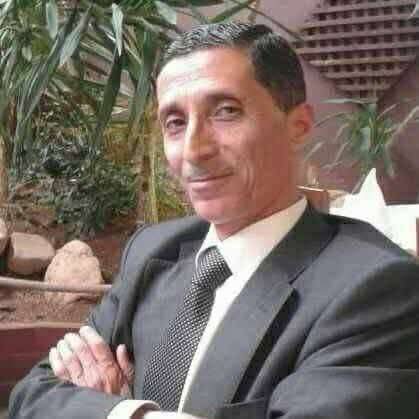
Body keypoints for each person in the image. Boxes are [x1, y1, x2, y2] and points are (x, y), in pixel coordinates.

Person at [9, 22, 419, 419]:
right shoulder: (153, 250)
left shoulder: (376, 289)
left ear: (298, 126)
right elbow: (34, 394)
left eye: (225, 112)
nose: (193, 150)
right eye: (175, 122)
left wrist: (116, 411)